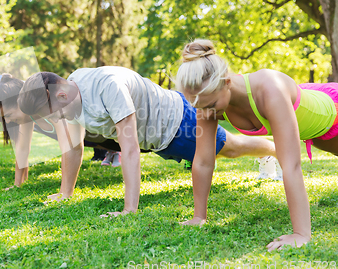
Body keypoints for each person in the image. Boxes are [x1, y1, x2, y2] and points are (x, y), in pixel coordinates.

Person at [17, 67, 279, 217]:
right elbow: (72, 147)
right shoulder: (68, 98)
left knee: (230, 149)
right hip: (157, 140)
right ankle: (268, 149)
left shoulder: (107, 87)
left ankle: (271, 149)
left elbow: (129, 149)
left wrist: (129, 209)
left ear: (61, 94)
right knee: (227, 150)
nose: (54, 120)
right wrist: (65, 193)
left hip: (178, 123)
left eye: (52, 114)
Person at [175, 39, 338, 251]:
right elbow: (204, 161)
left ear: (226, 81)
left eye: (210, 106)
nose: (203, 113)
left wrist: (301, 234)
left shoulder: (270, 89)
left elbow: (291, 165)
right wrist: (199, 217)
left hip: (330, 112)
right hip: (313, 126)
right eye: (197, 106)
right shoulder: (207, 101)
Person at [0, 74, 122, 188]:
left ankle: (114, 153)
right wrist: (18, 184)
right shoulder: (26, 115)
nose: (9, 121)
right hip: (93, 134)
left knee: (137, 144)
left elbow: (70, 148)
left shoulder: (49, 107)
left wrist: (64, 193)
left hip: (102, 133)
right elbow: (22, 149)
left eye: (9, 115)